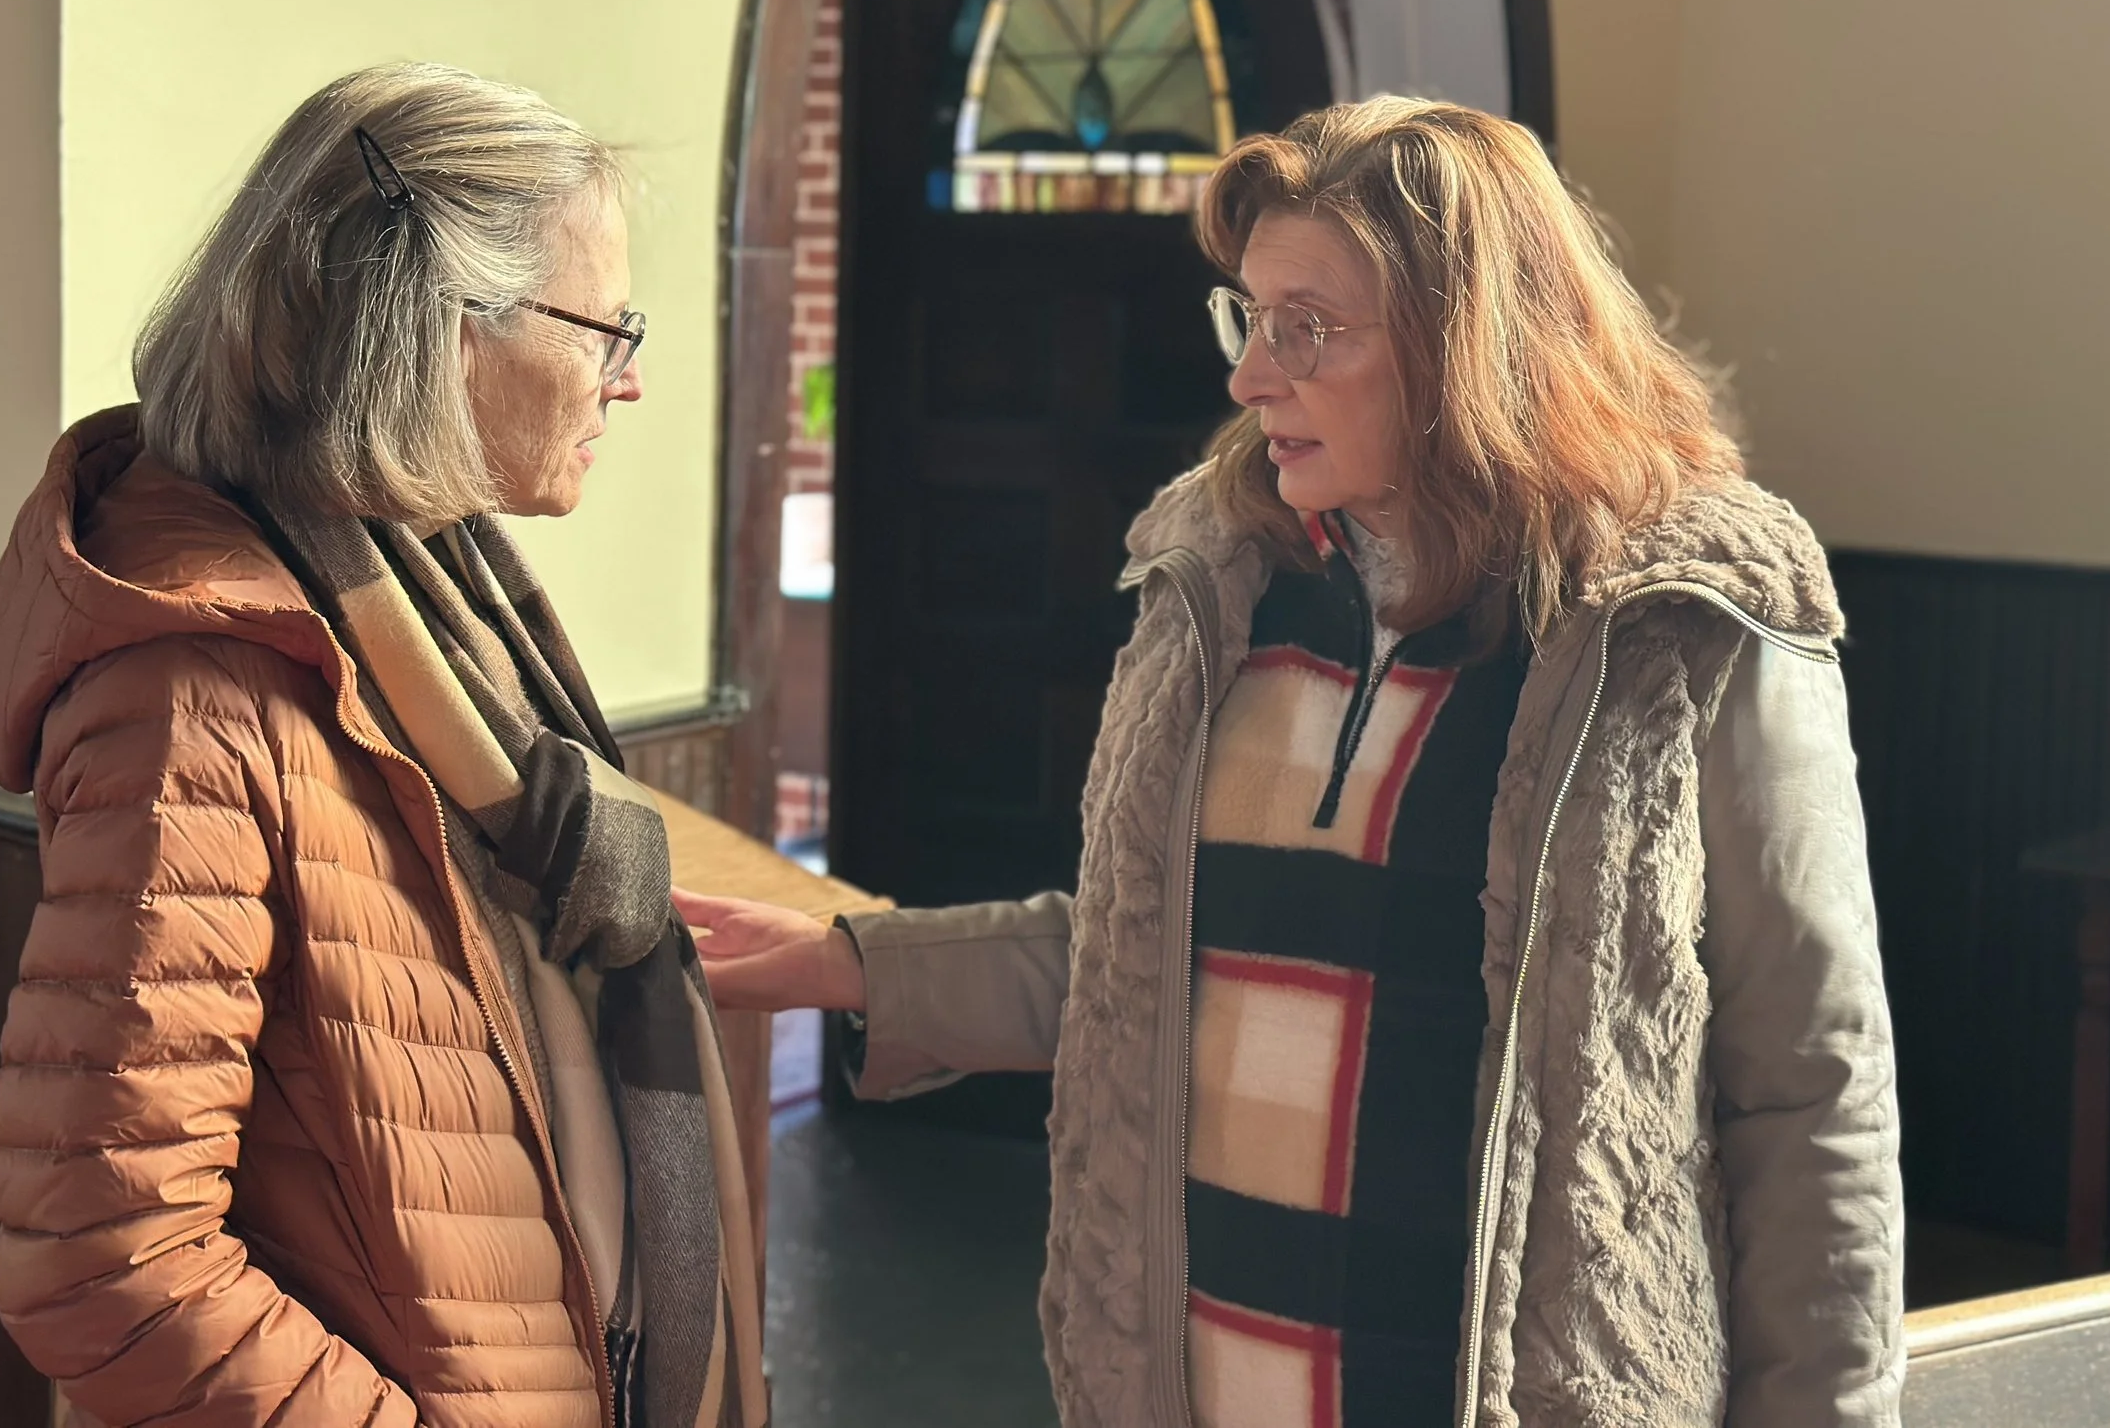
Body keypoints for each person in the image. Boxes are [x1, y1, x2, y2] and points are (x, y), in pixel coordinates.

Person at [680, 97, 1903, 1428]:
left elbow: (1812, 1095)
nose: (1252, 375)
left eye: (1306, 327)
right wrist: (855, 961)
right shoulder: (1218, 595)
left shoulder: (1686, 624)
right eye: (1247, 318)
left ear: (1466, 340)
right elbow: (1143, 964)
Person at [0, 64, 765, 1428]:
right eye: (607, 328)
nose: (627, 383)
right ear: (445, 328)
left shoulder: (427, 605)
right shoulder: (194, 689)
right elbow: (107, 1261)